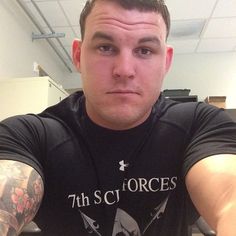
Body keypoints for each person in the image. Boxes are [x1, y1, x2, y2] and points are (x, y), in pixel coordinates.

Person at [0, 0, 236, 235]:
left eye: (144, 50)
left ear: (166, 61)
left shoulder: (200, 126)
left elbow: (229, 199)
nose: (124, 69)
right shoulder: (27, 137)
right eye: (105, 47)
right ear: (78, 55)